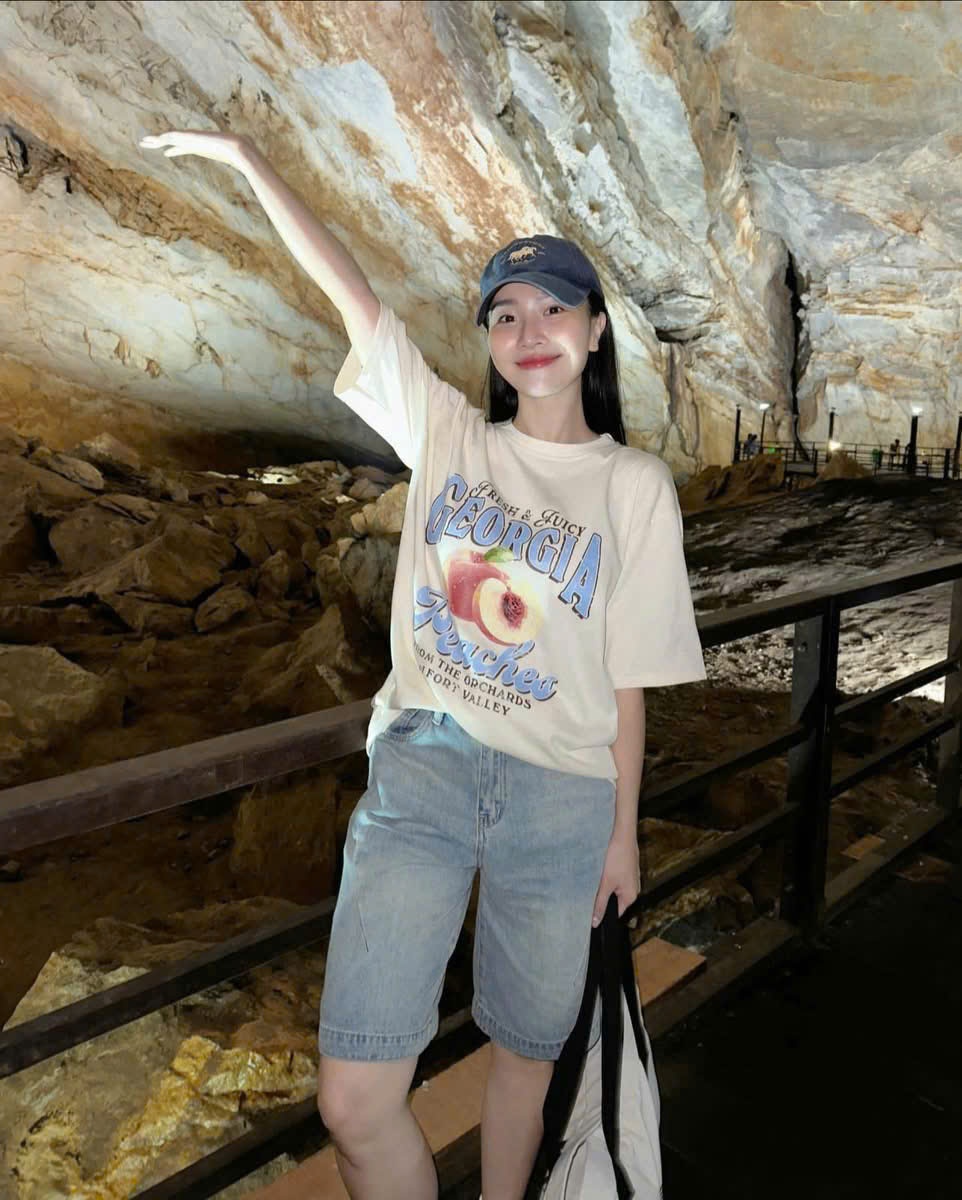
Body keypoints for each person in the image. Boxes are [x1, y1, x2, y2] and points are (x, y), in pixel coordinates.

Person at [140, 129, 707, 1200]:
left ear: (594, 331)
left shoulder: (634, 486)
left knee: (525, 1065)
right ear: (488, 340)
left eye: (552, 308)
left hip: (562, 797)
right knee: (355, 1103)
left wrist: (624, 831)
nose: (528, 331)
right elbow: (353, 299)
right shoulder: (449, 435)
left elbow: (626, 677)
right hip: (424, 773)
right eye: (505, 313)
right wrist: (249, 159)